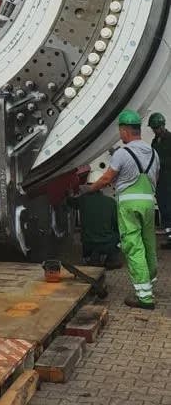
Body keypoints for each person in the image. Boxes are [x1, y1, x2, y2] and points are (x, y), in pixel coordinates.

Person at [86, 109, 159, 310]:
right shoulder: (153, 153)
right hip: (148, 204)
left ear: (125, 130)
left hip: (128, 205)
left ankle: (144, 297)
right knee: (148, 243)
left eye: (120, 131)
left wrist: (89, 189)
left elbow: (107, 178)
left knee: (133, 246)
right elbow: (155, 179)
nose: (120, 135)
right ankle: (148, 283)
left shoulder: (122, 153)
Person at [69, 170, 121, 269]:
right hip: (108, 243)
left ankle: (92, 256)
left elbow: (70, 202)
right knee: (118, 234)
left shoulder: (82, 200)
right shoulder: (111, 202)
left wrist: (69, 192)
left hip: (88, 243)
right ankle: (111, 258)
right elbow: (117, 225)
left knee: (90, 243)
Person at [148, 112, 171, 249]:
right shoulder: (155, 141)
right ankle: (169, 237)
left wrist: (159, 162)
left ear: (162, 126)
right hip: (160, 182)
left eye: (156, 128)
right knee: (164, 209)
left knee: (170, 209)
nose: (155, 131)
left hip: (169, 180)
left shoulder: (170, 139)